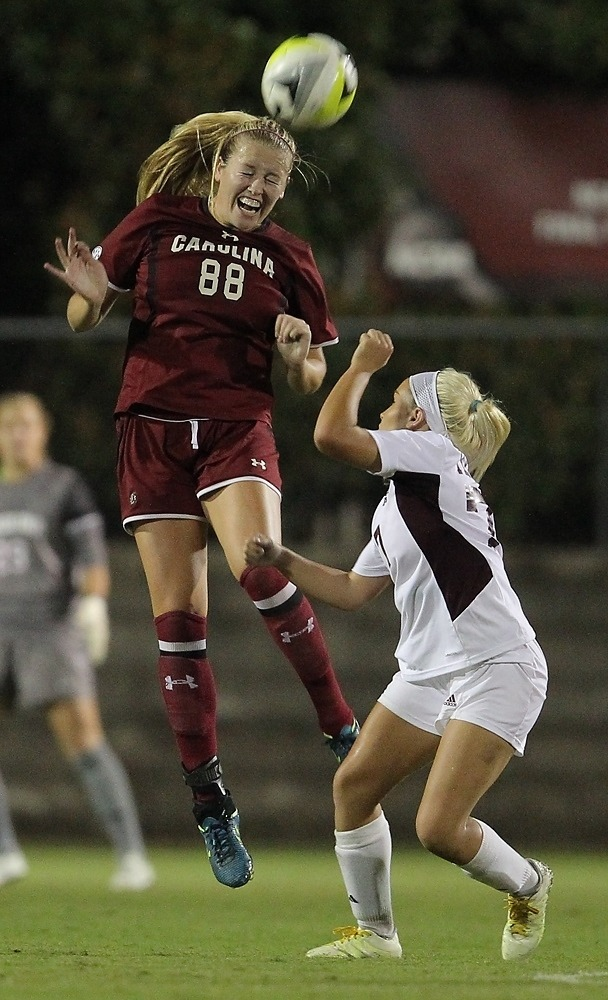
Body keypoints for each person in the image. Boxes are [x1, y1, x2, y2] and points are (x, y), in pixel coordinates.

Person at [44, 111, 359, 889]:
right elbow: (88, 314)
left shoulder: (290, 257)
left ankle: (339, 724)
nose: (257, 188)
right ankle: (212, 804)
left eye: (272, 181)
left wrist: (296, 359)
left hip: (234, 427)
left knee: (260, 564)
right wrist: (87, 298)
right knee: (180, 624)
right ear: (218, 168)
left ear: (282, 193)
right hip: (150, 431)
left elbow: (313, 371)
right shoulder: (158, 222)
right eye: (247, 172)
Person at [245, 329, 552, 961]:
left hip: (498, 666)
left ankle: (529, 884)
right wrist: (283, 558)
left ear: (417, 421)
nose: (383, 406)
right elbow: (356, 590)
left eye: (393, 397)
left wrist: (357, 365)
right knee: (355, 787)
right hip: (431, 669)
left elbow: (330, 436)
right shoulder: (404, 498)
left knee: (438, 828)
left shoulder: (433, 454)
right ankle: (377, 934)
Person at [0, 392, 155, 890]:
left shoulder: (63, 487)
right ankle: (5, 854)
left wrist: (92, 604)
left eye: (26, 423)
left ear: (43, 429)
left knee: (84, 742)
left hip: (49, 628)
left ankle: (131, 854)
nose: (17, 434)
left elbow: (92, 558)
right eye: (8, 425)